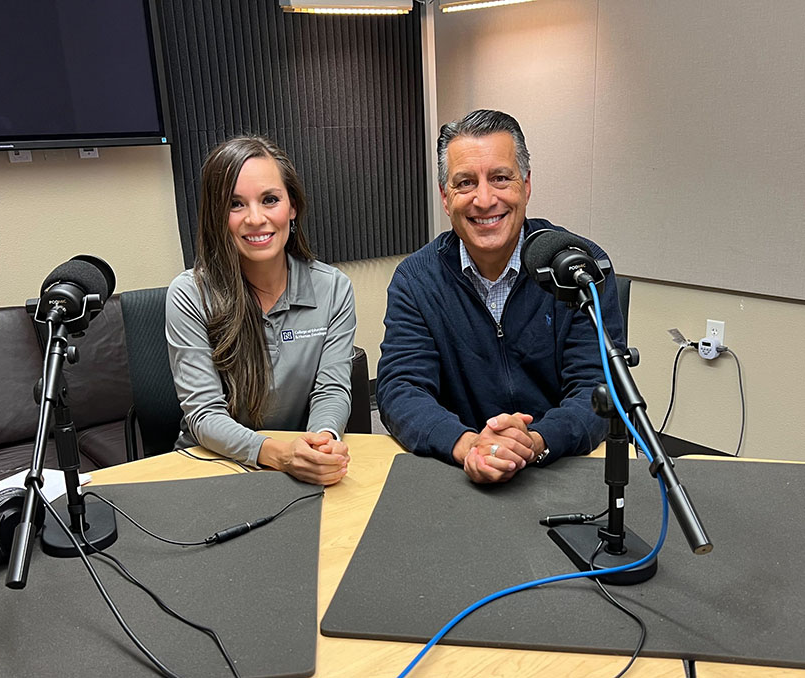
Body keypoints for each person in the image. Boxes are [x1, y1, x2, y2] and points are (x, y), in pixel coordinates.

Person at [376, 109, 624, 484]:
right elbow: (401, 388)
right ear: (445, 198)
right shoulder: (415, 280)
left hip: (562, 466)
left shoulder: (578, 268)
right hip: (456, 473)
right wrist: (468, 445)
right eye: (465, 183)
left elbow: (598, 386)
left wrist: (535, 441)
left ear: (526, 186)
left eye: (500, 178)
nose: (484, 198)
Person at [166, 136, 355, 486]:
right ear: (217, 215)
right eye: (235, 204)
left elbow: (332, 388)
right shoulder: (190, 294)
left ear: (293, 206)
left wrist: (323, 442)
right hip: (214, 465)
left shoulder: (334, 288)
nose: (256, 218)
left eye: (270, 200)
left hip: (299, 466)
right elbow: (204, 414)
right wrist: (279, 453)